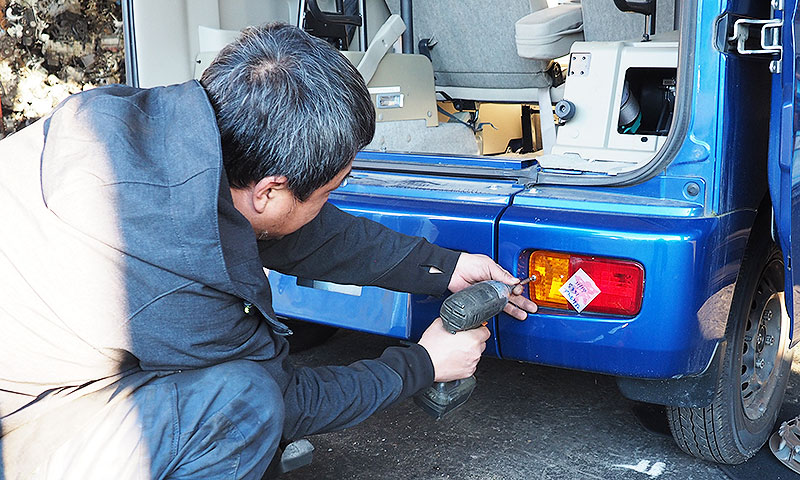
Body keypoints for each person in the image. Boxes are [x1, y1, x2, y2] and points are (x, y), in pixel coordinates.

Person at [0, 23, 537, 479]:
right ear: (269, 191)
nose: (330, 202)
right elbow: (281, 401)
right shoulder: (176, 275)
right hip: (18, 427)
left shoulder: (134, 123)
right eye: (329, 190)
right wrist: (423, 363)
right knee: (242, 407)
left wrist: (442, 268)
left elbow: (299, 232)